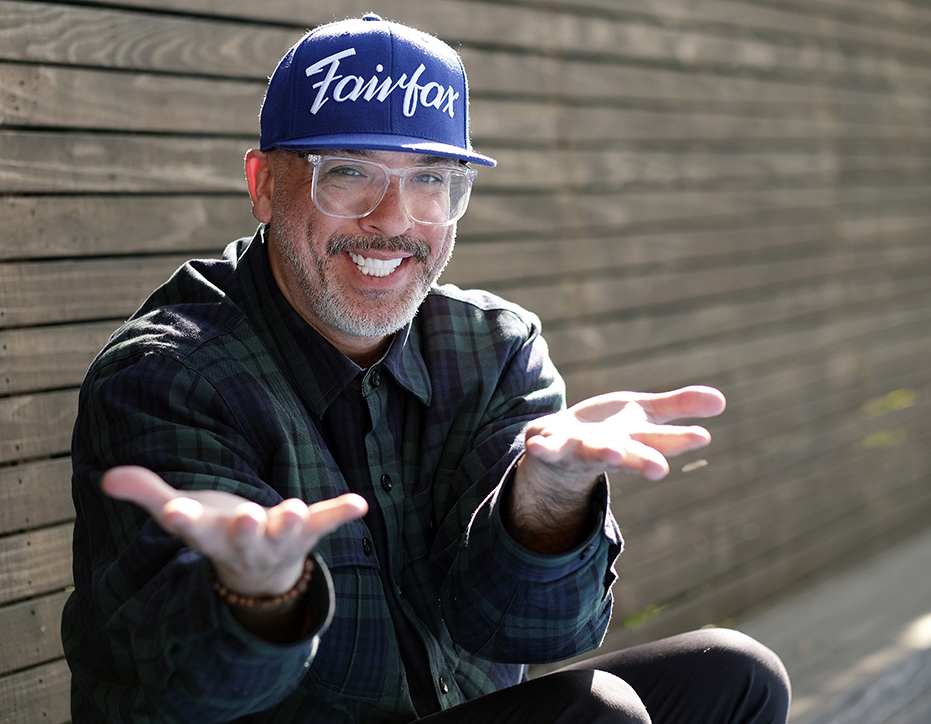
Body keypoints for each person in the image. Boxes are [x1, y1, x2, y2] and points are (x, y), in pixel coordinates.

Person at [61, 14, 790, 724]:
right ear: (262, 184)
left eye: (432, 180)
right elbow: (187, 690)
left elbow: (528, 631)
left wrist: (550, 497)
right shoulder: (169, 374)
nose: (394, 220)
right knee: (597, 715)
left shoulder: (493, 347)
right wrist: (262, 594)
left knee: (739, 677)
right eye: (347, 173)